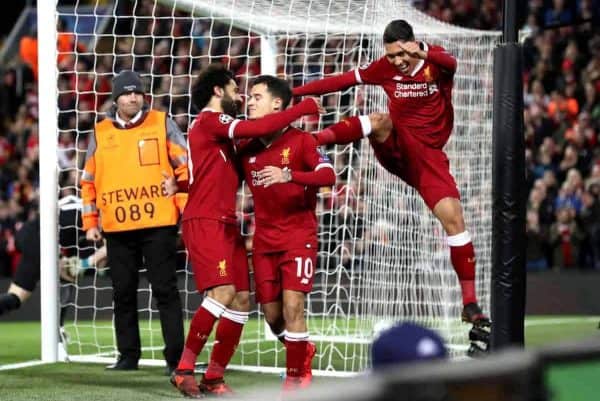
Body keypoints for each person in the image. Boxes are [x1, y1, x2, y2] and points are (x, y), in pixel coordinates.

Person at [292, 19, 491, 353]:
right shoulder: (383, 68)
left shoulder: (434, 62)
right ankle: (316, 139)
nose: (397, 61)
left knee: (455, 222)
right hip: (397, 151)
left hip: (428, 162)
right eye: (392, 55)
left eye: (401, 53)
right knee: (380, 119)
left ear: (413, 44)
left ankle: (469, 303)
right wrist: (295, 93)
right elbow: (342, 80)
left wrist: (423, 52)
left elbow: (451, 63)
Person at [166, 63, 322, 398]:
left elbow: (206, 171)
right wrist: (302, 108)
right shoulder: (211, 120)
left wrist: (178, 180)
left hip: (226, 223)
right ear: (218, 91)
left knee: (240, 300)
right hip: (206, 220)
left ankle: (214, 376)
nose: (242, 98)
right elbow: (262, 125)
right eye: (238, 91)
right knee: (222, 293)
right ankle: (183, 369)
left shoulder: (225, 137)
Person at [236, 75, 339, 390]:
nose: (249, 102)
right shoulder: (247, 148)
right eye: (249, 97)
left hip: (298, 236)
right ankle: (302, 349)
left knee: (294, 306)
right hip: (265, 240)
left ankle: (297, 380)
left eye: (256, 96)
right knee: (272, 316)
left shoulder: (301, 140)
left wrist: (288, 175)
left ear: (277, 104)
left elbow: (328, 174)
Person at [80, 70, 187, 374]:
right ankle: (128, 356)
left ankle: (175, 358)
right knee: (122, 293)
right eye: (127, 93)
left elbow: (184, 168)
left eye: (137, 92)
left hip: (159, 224)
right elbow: (88, 181)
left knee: (166, 291)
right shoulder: (100, 133)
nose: (133, 97)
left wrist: (182, 207)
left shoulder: (161, 122)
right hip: (117, 227)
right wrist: (90, 221)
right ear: (116, 99)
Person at [0, 195, 105, 320]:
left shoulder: (77, 204)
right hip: (39, 238)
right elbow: (109, 248)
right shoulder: (86, 217)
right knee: (68, 274)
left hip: (28, 232)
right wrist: (85, 263)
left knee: (16, 296)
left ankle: (59, 329)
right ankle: (58, 331)